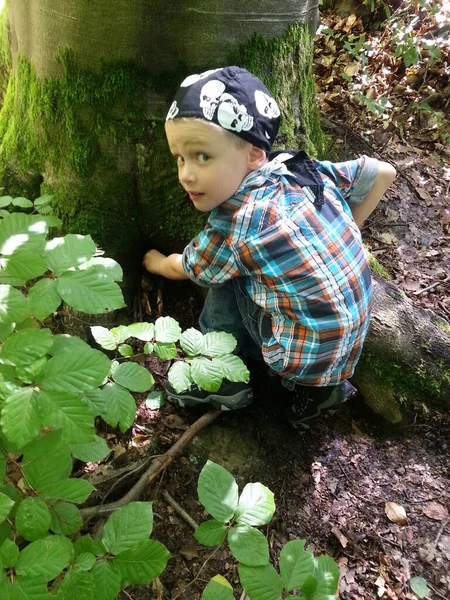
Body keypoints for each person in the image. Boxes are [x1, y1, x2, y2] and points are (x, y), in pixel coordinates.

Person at [143, 66, 396, 427]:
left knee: (225, 276)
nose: (186, 174)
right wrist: (346, 229)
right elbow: (382, 172)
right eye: (179, 158)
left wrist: (154, 262)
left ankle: (223, 375)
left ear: (254, 154)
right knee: (250, 268)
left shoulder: (234, 225)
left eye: (202, 156)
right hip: (350, 338)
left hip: (296, 354)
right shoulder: (301, 170)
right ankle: (323, 391)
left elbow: (186, 267)